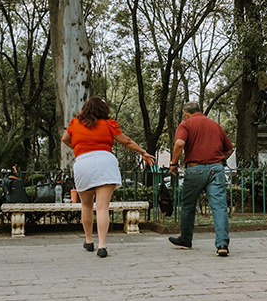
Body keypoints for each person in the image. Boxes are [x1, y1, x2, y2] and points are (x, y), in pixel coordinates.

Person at [62, 96, 155, 257]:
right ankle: (102, 245)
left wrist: (78, 147)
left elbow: (65, 139)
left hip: (83, 163)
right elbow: (126, 141)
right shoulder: (109, 124)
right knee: (102, 207)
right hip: (106, 162)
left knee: (86, 206)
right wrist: (143, 152)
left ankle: (89, 241)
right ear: (104, 109)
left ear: (85, 108)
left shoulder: (75, 123)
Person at [168, 102, 233, 256]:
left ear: (186, 113)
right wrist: (216, 159)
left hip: (195, 169)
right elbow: (229, 149)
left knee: (188, 206)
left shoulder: (186, 124)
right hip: (216, 169)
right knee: (219, 207)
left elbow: (179, 143)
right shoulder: (215, 125)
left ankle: (186, 239)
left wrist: (173, 164)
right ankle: (222, 244)